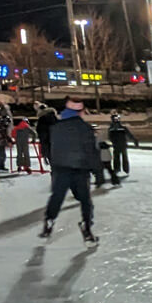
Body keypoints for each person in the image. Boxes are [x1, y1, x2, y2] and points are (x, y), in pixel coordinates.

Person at [39, 98, 99, 245]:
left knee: (57, 197)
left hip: (61, 168)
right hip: (80, 169)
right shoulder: (84, 128)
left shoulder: (56, 128)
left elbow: (52, 146)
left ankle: (49, 220)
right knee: (85, 200)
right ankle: (86, 225)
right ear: (79, 112)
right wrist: (98, 171)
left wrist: (53, 161)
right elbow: (91, 151)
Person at [106, 113, 138, 180]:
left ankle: (124, 169)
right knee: (117, 158)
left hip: (122, 145)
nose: (116, 120)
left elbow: (129, 135)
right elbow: (109, 137)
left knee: (123, 157)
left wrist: (135, 141)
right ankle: (118, 169)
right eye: (115, 119)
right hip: (118, 145)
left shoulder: (121, 128)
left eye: (117, 119)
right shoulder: (112, 128)